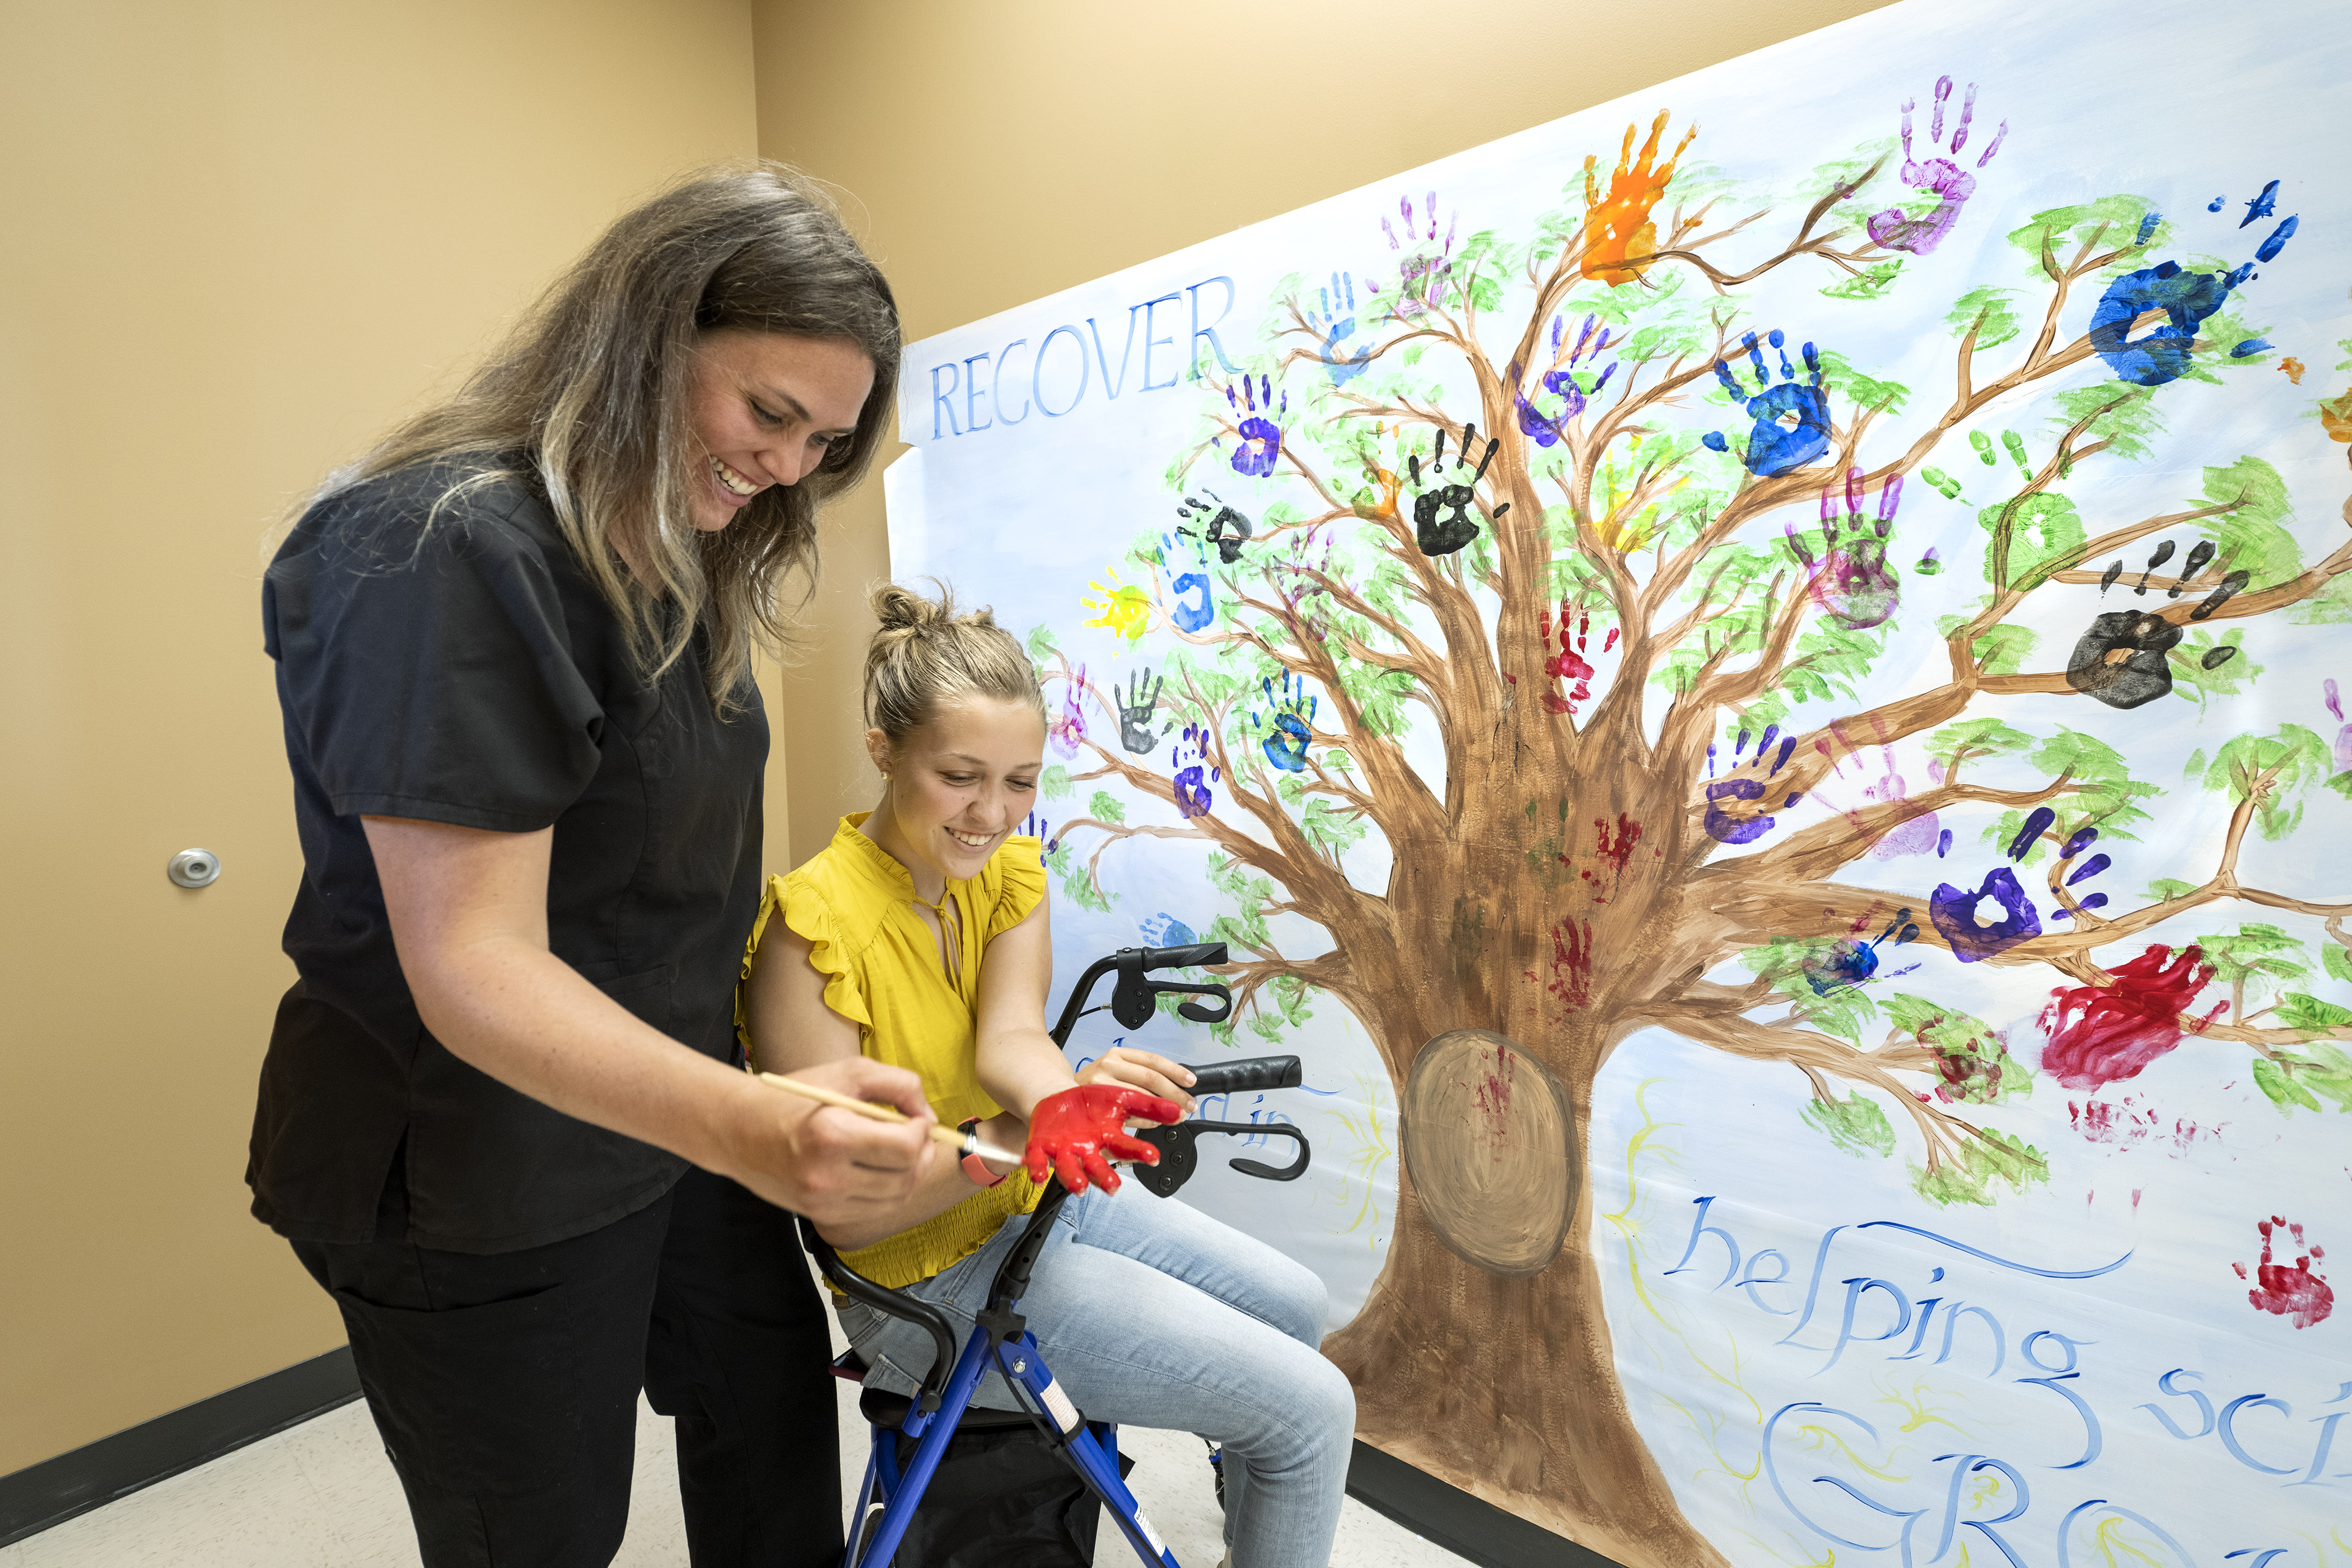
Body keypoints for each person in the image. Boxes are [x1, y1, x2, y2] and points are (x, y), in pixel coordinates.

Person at [248, 164, 934, 1568]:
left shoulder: (678, 564)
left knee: (770, 1428)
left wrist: (775, 1085)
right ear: (643, 341)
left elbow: (663, 897)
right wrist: (751, 1125)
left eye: (826, 442)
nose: (790, 468)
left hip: (668, 1113)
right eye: (769, 414)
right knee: (542, 1530)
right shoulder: (437, 548)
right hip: (476, 1155)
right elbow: (478, 964)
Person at [739, 583, 1356, 1568]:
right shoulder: (807, 932)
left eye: (1021, 781)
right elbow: (849, 1208)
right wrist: (1016, 1137)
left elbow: (1010, 1039)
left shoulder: (1004, 874)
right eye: (960, 776)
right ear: (882, 747)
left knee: (1296, 1306)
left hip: (1028, 1198)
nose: (992, 813)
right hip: (916, 1277)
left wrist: (1061, 1099)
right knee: (1313, 1410)